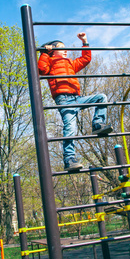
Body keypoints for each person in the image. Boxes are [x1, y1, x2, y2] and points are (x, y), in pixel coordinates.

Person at [38, 32, 113, 171]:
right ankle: (69, 159)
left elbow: (85, 59)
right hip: (64, 100)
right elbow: (41, 69)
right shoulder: (49, 63)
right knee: (70, 129)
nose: (66, 50)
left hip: (77, 98)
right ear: (53, 50)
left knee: (101, 97)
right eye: (61, 47)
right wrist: (44, 53)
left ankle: (98, 124)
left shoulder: (71, 64)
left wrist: (84, 41)